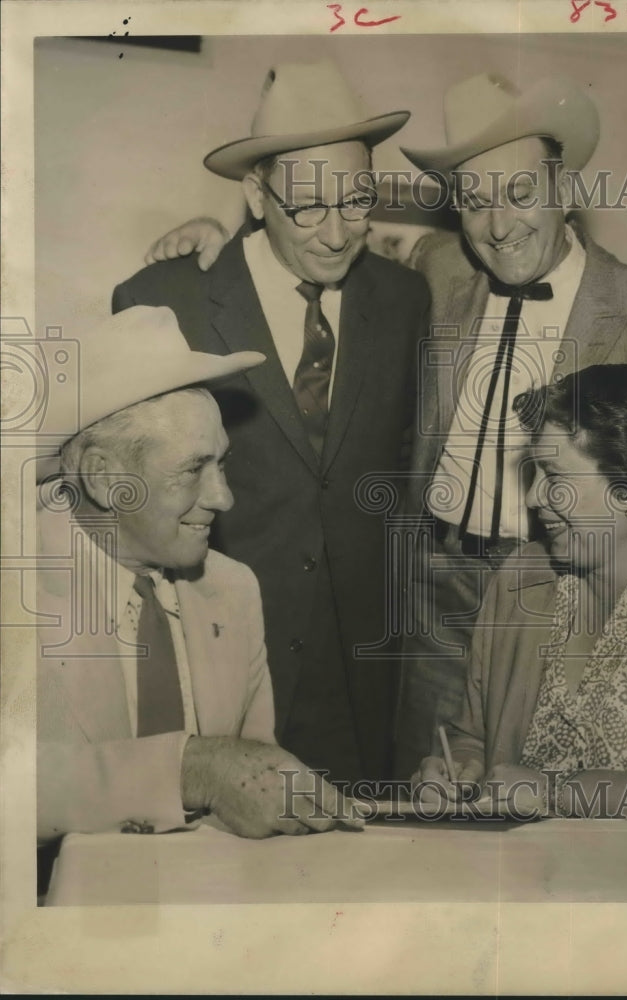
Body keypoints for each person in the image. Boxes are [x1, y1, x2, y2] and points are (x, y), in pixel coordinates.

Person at [136, 72, 627, 776]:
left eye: (520, 194)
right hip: (428, 591)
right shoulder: (436, 270)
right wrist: (216, 234)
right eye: (474, 202)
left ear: (564, 189)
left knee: (551, 807)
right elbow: (300, 247)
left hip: (562, 588)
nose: (498, 225)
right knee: (422, 789)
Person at [112, 59, 431, 788]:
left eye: (356, 202)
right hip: (216, 660)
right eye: (307, 208)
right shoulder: (167, 299)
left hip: (362, 672)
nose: (336, 233)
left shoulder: (407, 298)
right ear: (256, 195)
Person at [36, 306, 363, 854]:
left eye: (223, 465)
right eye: (193, 470)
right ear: (103, 477)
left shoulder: (231, 589)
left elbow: (254, 781)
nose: (222, 498)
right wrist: (191, 767)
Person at [413, 365, 627, 829]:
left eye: (552, 474)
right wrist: (458, 770)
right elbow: (471, 736)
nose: (532, 497)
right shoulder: (521, 576)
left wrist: (558, 793)